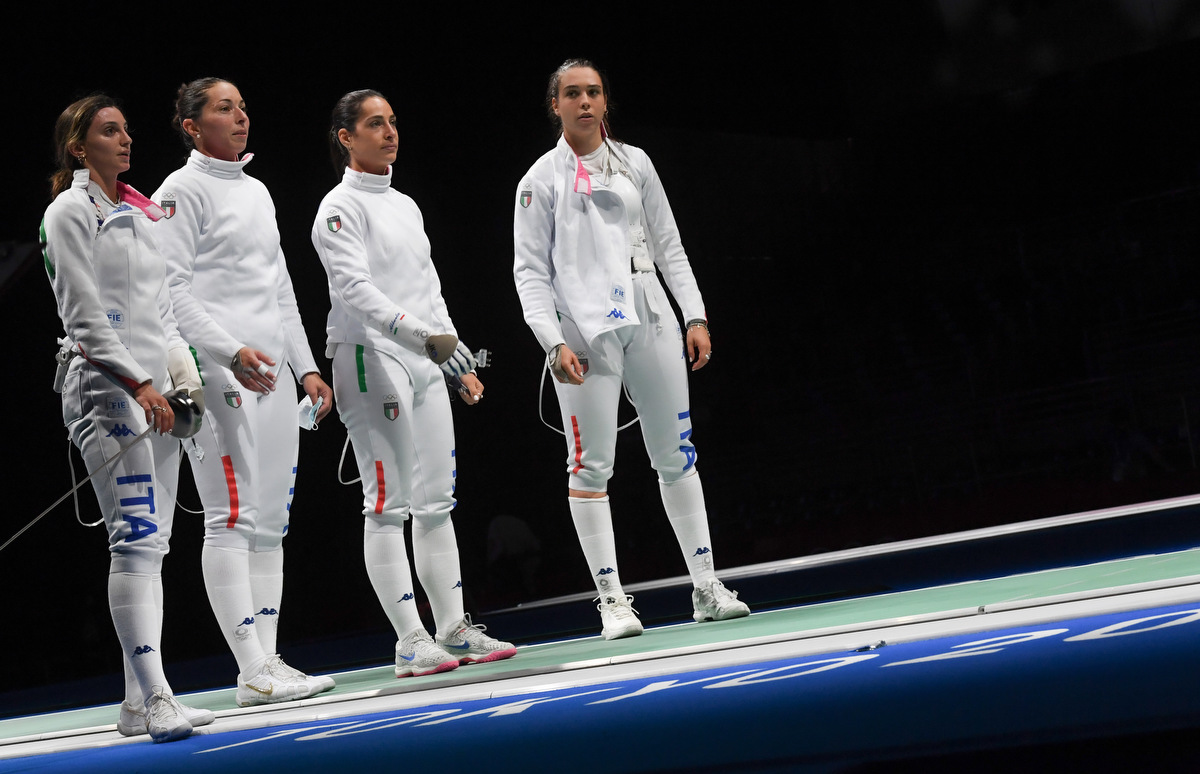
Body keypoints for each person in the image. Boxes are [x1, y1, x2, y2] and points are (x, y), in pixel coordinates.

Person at [512, 59, 750, 639]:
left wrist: (694, 313)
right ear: (555, 105)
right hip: (583, 328)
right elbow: (530, 273)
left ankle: (706, 586)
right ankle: (612, 600)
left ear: (605, 101)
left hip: (649, 311)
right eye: (573, 93)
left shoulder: (636, 162)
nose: (585, 101)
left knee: (677, 452)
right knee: (591, 465)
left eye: (593, 92)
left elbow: (669, 244)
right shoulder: (538, 180)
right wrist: (552, 342)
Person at [311, 89, 516, 677]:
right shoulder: (337, 208)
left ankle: (452, 627)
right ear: (346, 137)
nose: (389, 132)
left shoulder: (405, 204)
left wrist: (457, 357)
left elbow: (429, 287)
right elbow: (356, 291)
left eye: (393, 122)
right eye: (375, 123)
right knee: (387, 505)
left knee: (436, 502)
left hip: (423, 358)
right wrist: (424, 338)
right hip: (369, 356)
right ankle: (409, 640)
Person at [151, 77, 335, 706]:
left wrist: (306, 368)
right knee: (231, 518)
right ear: (191, 125)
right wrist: (230, 353)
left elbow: (280, 288)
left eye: (243, 108)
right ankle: (250, 665)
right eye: (224, 109)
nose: (240, 117)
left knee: (270, 523)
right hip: (219, 373)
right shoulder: (178, 192)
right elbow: (171, 292)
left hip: (273, 373)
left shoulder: (256, 190)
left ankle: (268, 663)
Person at [41, 94, 214, 741]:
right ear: (79, 147)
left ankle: (137, 701)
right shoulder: (68, 212)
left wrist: (184, 379)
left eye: (126, 130)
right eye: (109, 131)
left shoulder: (141, 212)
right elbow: (83, 317)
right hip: (106, 390)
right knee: (135, 540)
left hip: (155, 396)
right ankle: (158, 698)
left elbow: (162, 313)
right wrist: (138, 382)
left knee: (152, 545)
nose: (125, 139)